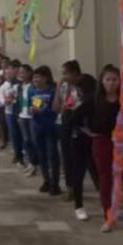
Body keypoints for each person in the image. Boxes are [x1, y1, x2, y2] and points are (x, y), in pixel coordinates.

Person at [88, 65, 120, 231]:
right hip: (102, 143)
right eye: (108, 79)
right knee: (105, 179)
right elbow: (76, 116)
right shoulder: (95, 100)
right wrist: (88, 131)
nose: (111, 83)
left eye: (115, 79)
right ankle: (108, 215)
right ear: (102, 81)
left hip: (122, 143)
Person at [69, 74, 97, 223]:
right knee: (78, 173)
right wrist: (85, 130)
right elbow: (72, 120)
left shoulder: (94, 100)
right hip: (79, 140)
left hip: (96, 141)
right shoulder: (83, 101)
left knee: (98, 172)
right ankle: (78, 206)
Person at [31, 66, 61, 196]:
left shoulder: (53, 91)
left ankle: (55, 183)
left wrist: (41, 111)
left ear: (46, 78)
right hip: (38, 127)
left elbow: (55, 111)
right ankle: (46, 181)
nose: (35, 79)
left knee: (52, 155)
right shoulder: (34, 92)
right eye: (34, 77)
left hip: (51, 128)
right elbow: (36, 109)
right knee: (41, 155)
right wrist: (33, 111)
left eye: (38, 77)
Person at [55, 60, 82, 202]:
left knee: (78, 159)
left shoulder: (81, 88)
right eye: (62, 74)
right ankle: (70, 188)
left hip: (77, 125)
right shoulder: (63, 87)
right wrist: (58, 89)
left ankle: (80, 187)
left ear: (74, 73)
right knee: (66, 157)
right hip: (63, 124)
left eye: (65, 73)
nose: (63, 76)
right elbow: (56, 108)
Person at [0, 62, 23, 166]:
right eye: (7, 73)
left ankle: (23, 154)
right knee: (13, 134)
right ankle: (17, 155)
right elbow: (0, 98)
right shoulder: (3, 86)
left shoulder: (20, 84)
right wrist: (5, 101)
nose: (9, 74)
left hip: (20, 112)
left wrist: (14, 99)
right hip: (9, 112)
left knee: (22, 134)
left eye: (10, 71)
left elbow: (22, 98)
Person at [17, 64, 38, 176]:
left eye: (23, 72)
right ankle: (31, 163)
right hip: (23, 116)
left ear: (30, 73)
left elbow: (37, 99)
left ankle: (35, 163)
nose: (21, 74)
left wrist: (34, 108)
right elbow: (20, 101)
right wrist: (19, 115)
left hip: (32, 117)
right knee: (26, 141)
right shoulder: (20, 86)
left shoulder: (33, 86)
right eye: (20, 72)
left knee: (34, 141)